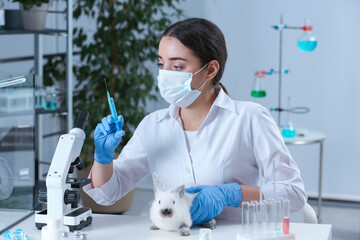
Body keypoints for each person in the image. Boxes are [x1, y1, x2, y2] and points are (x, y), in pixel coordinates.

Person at [83, 18, 307, 224]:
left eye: (177, 66)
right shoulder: (153, 126)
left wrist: (232, 193)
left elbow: (294, 194)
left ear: (210, 69)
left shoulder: (249, 118)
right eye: (161, 64)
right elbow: (107, 195)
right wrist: (103, 157)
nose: (165, 74)